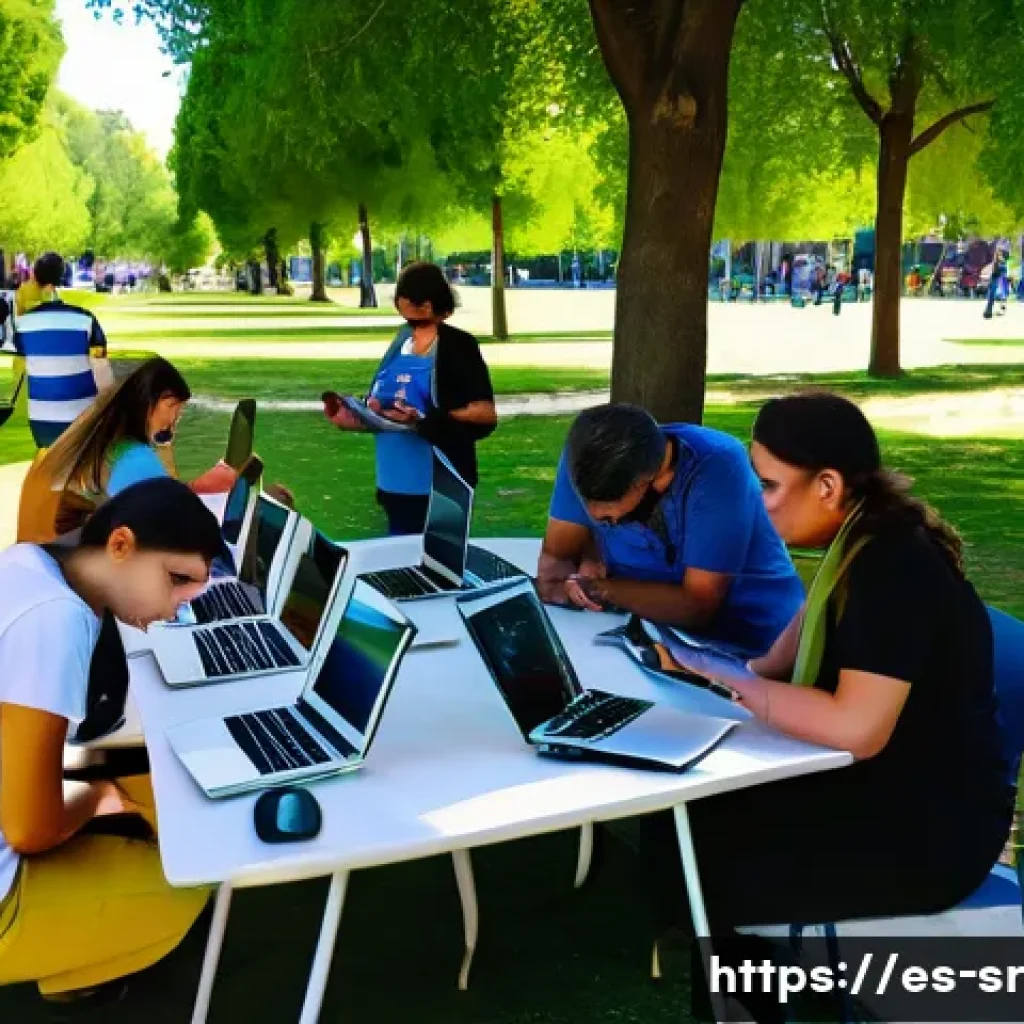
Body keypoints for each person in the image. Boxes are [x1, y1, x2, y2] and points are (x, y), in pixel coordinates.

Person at [619, 393, 1012, 1022]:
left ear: (827, 485)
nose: (758, 500)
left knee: (707, 868)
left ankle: (770, 1002)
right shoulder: (857, 540)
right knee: (682, 828)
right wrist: (706, 668)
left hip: (929, 828)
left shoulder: (894, 566)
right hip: (878, 787)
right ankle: (748, 989)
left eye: (770, 486)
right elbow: (777, 660)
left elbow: (857, 728)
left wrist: (729, 685)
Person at [0, 478, 220, 1007]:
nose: (172, 610)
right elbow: (29, 828)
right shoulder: (58, 622)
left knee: (135, 798)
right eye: (173, 581)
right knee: (187, 882)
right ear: (120, 545)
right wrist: (98, 799)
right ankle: (74, 976)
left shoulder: (28, 562)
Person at [536, 403, 804, 658]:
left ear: (658, 478)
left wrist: (603, 589)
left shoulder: (719, 466)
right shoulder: (589, 460)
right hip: (652, 638)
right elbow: (556, 565)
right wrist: (583, 563)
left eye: (613, 516)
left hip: (756, 642)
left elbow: (697, 605)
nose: (598, 520)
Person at [324, 261, 497, 536]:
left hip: (439, 483)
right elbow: (383, 408)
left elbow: (484, 413)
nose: (398, 305)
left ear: (428, 304)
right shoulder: (400, 341)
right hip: (394, 482)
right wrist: (355, 418)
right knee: (400, 564)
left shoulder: (459, 346)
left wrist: (427, 420)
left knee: (437, 568)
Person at [17, 357, 238, 545]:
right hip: (89, 562)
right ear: (152, 400)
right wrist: (201, 487)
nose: (174, 421)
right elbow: (164, 516)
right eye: (173, 408)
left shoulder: (106, 441)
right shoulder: (132, 456)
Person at [14, 252, 114, 451]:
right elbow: (102, 372)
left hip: (42, 419)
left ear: (36, 278)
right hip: (82, 417)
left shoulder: (23, 325)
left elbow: (18, 371)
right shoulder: (86, 320)